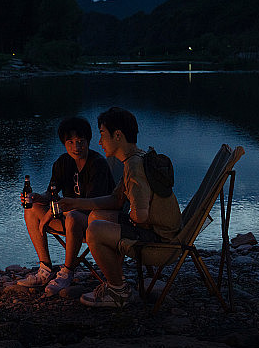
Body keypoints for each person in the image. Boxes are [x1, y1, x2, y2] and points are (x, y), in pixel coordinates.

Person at [55, 107, 182, 308]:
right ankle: (116, 281)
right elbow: (115, 201)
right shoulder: (136, 157)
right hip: (163, 233)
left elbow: (140, 216)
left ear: (118, 135)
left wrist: (126, 219)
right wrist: (75, 203)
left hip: (160, 244)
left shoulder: (134, 167)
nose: (99, 142)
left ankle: (117, 291)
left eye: (103, 134)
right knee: (97, 216)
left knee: (95, 229)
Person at [18, 117, 116, 295]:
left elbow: (91, 206)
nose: (76, 147)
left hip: (96, 224)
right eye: (70, 142)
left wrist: (53, 212)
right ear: (64, 143)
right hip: (69, 219)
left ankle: (67, 272)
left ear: (88, 141)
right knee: (31, 208)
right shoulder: (64, 162)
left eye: (80, 142)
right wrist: (38, 197)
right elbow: (51, 194)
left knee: (72, 216)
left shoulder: (97, 164)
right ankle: (45, 269)